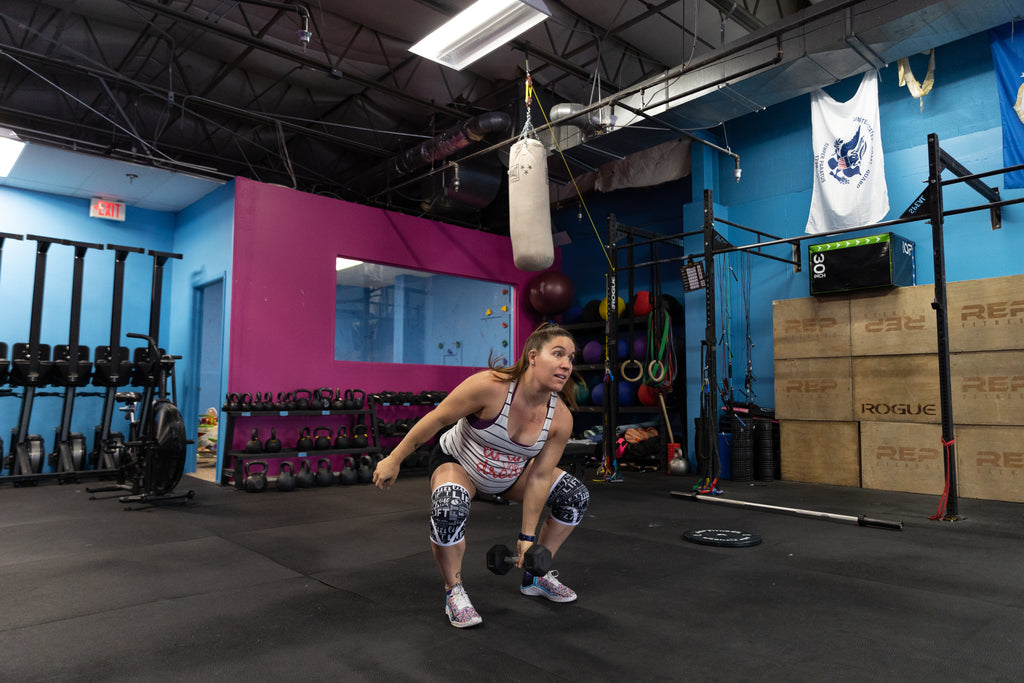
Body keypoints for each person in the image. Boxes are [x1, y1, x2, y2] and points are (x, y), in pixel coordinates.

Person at [372, 322, 590, 628]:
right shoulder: (491, 387)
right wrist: (394, 458)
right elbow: (436, 419)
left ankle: (535, 574)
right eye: (558, 354)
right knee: (449, 507)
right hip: (460, 464)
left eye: (570, 357)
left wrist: (527, 542)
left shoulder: (560, 418)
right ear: (532, 357)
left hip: (512, 475)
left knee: (575, 496)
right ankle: (454, 590)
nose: (566, 364)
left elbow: (540, 476)